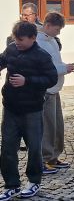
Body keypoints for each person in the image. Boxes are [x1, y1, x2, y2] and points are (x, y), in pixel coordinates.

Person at [0, 21, 58, 200]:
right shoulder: (11, 48)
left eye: (21, 39)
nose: (17, 42)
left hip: (32, 110)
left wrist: (28, 80)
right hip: (10, 108)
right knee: (8, 148)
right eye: (15, 38)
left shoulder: (41, 55)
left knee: (34, 148)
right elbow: (2, 60)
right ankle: (11, 185)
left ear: (33, 38)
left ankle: (33, 181)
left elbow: (51, 78)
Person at [36, 12, 74, 175]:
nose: (59, 33)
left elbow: (54, 62)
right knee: (47, 127)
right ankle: (44, 160)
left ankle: (53, 157)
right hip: (45, 90)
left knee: (57, 125)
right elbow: (43, 68)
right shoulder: (38, 41)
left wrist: (65, 66)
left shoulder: (51, 40)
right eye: (57, 29)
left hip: (54, 88)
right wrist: (64, 69)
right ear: (47, 25)